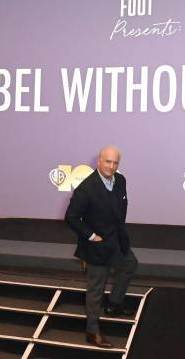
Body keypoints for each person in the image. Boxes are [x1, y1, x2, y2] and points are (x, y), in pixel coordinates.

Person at [65, 145, 138, 349]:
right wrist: (91, 236)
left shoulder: (121, 180)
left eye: (115, 162)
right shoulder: (86, 188)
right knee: (96, 289)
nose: (112, 166)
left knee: (130, 265)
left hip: (117, 240)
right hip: (96, 246)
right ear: (99, 161)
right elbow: (71, 217)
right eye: (108, 161)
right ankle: (92, 331)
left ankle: (114, 305)